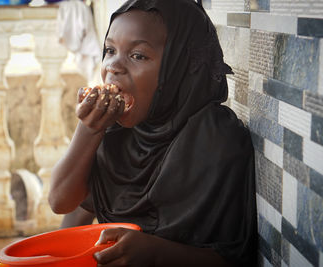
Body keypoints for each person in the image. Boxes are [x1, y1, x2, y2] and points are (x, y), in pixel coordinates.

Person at [49, 0, 257, 266]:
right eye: (110, 50)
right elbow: (62, 203)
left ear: (179, 68)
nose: (113, 66)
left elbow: (233, 259)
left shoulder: (217, 141)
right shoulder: (113, 132)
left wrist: (156, 253)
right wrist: (88, 130)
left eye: (138, 55)